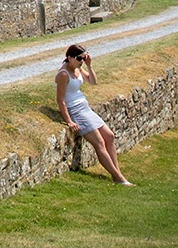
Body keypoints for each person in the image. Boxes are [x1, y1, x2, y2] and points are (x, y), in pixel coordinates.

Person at [55, 44, 134, 186]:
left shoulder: (78, 68)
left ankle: (117, 173)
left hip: (85, 108)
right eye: (79, 58)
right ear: (69, 58)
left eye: (84, 58)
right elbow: (60, 100)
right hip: (76, 111)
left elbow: (93, 81)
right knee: (99, 143)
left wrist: (89, 66)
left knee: (109, 136)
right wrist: (69, 121)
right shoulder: (63, 74)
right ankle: (118, 178)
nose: (82, 61)